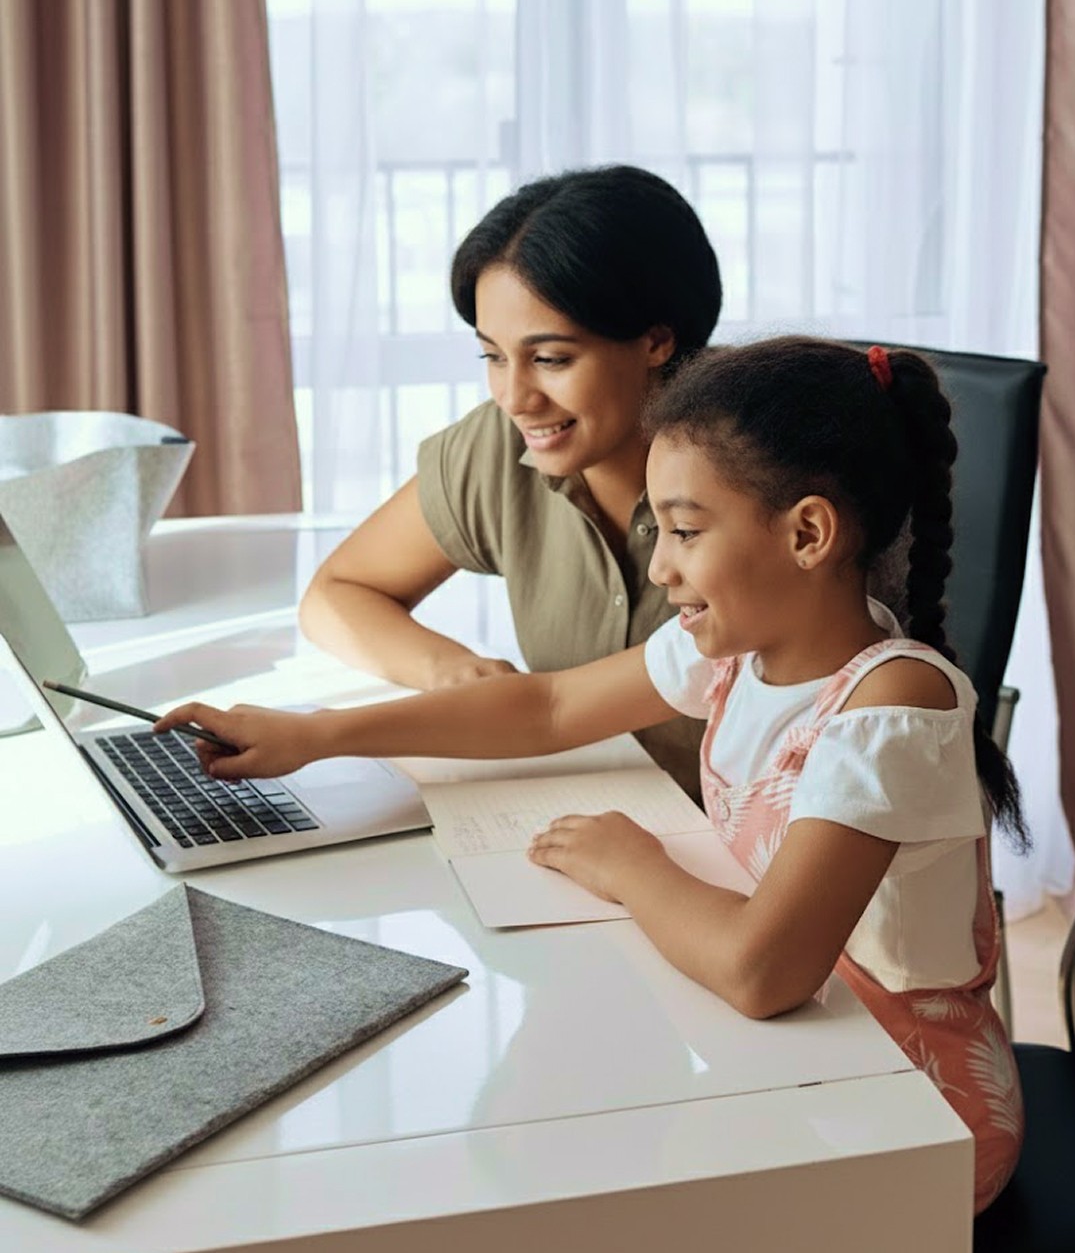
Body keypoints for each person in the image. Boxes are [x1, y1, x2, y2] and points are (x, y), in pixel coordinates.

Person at [158, 337, 1029, 1212]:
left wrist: (633, 866)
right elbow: (544, 710)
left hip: (909, 1121)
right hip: (796, 1063)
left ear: (807, 533)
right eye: (661, 531)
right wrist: (315, 736)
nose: (660, 567)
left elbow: (763, 974)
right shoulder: (737, 654)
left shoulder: (890, 709)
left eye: (687, 532)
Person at [296, 164, 723, 801]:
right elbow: (337, 595)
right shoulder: (504, 443)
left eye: (550, 359)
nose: (514, 397)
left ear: (657, 340)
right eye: (492, 355)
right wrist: (457, 674)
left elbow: (551, 707)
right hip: (591, 823)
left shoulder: (758, 466)